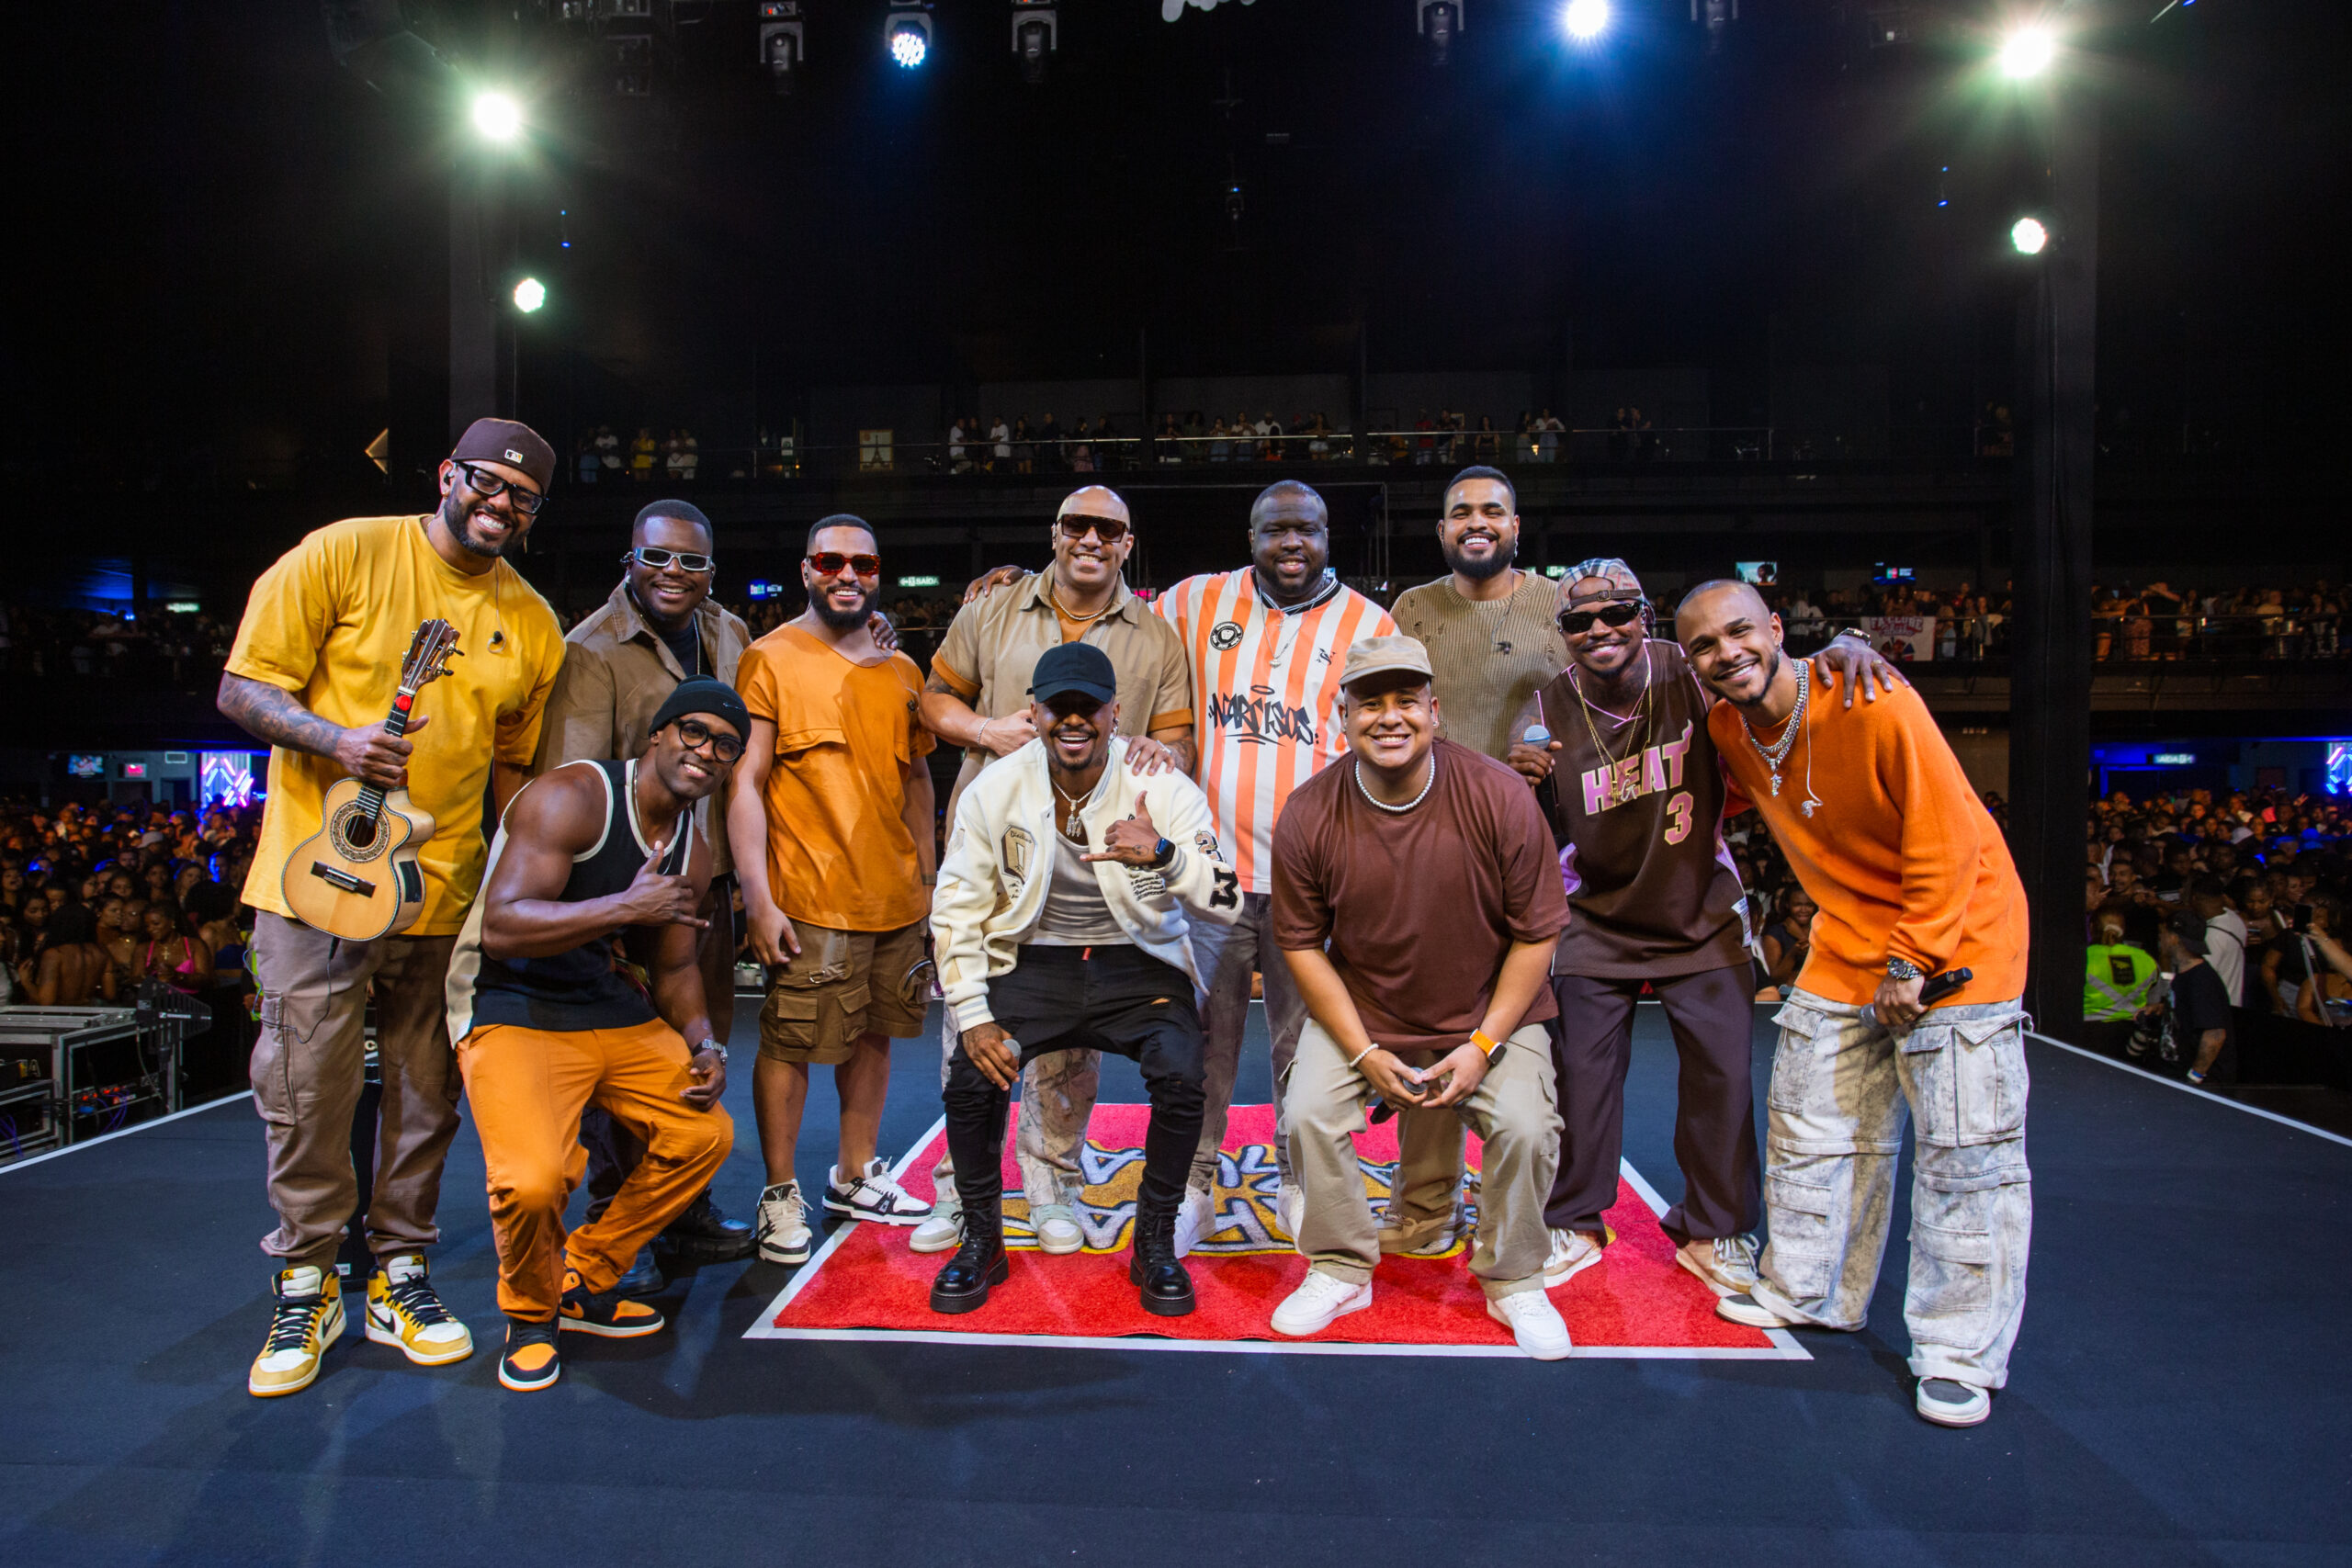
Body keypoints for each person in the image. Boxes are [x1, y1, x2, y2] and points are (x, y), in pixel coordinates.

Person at [218, 417, 566, 1399]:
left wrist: (517, 886)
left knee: (426, 1094)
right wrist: (334, 739)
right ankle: (306, 1278)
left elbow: (513, 769)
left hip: (443, 894)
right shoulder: (344, 552)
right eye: (487, 483)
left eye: (523, 498)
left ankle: (399, 1271)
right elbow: (243, 686)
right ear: (448, 475)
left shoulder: (531, 620)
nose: (500, 505)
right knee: (305, 1086)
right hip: (318, 881)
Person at [1676, 579, 2031, 1429]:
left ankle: (1957, 1353)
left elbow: (1947, 835)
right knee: (1809, 1123)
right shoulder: (1728, 727)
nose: (1727, 653)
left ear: (1775, 627)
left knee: (1964, 1155)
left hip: (1959, 939)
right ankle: (1812, 1290)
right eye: (1704, 646)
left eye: (1739, 632)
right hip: (1846, 941)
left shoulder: (1874, 698)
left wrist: (1914, 958)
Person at [1503, 560, 1905, 1294]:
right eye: (1579, 620)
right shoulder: (1542, 708)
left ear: (1644, 616)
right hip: (1595, 916)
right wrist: (1517, 776)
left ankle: (1714, 1230)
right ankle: (1574, 1221)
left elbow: (1770, 676)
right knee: (1580, 1080)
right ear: (1561, 634)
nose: (1600, 628)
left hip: (1701, 910)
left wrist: (1845, 643)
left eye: (1617, 611)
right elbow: (1524, 825)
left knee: (1722, 1081)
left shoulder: (1691, 671)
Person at [1267, 634, 1570, 1359]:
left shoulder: (1499, 794)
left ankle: (1513, 1276)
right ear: (1344, 716)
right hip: (1370, 1007)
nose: (1390, 717)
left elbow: (1537, 936)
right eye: (1370, 703)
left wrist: (1484, 1043)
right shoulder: (1308, 811)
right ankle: (1341, 1265)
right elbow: (1301, 945)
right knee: (1306, 1112)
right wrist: (1362, 1051)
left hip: (1488, 1007)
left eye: (1407, 700)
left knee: (1527, 1126)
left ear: (1435, 711)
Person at [913, 488, 1193, 1255]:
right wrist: (984, 728)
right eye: (1078, 524)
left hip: (1091, 861)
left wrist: (1163, 754)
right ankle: (957, 1190)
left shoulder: (1155, 635)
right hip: (996, 848)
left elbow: (1178, 740)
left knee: (1072, 1040)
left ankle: (1053, 1185)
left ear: (1127, 542)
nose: (1091, 538)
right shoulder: (995, 607)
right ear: (1055, 531)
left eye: (1108, 528)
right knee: (971, 1028)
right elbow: (933, 700)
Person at [445, 678, 741, 1392]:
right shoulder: (573, 796)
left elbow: (674, 969)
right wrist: (625, 906)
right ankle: (531, 1314)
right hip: (509, 1000)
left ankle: (581, 1275)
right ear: (658, 733)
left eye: (726, 745)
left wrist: (704, 1042)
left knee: (704, 1134)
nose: (706, 751)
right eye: (694, 732)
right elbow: (503, 925)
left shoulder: (693, 849)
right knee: (532, 1181)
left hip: (603, 1003)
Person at [926, 643, 1238, 1315]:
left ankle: (1154, 1240)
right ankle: (981, 1238)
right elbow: (955, 907)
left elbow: (1227, 896)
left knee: (1183, 1074)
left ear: (1114, 712)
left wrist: (1162, 853)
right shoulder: (995, 788)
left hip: (1138, 960)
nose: (1073, 720)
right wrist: (974, 1015)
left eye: (1088, 707)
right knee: (971, 1078)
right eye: (1058, 707)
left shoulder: (1159, 785)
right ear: (1034, 712)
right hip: (1034, 959)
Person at [532, 500, 755, 1289]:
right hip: (625, 885)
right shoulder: (591, 648)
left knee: (700, 1046)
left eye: (691, 561)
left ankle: (681, 1209)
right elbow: (575, 778)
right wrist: (610, 911)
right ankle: (613, 1216)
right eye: (657, 556)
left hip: (706, 874)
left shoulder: (731, 632)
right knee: (621, 1058)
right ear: (629, 559)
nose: (673, 572)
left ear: (711, 572)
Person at [731, 517, 939, 1265]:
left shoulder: (903, 668)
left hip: (895, 896)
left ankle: (855, 1175)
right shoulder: (769, 657)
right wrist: (758, 897)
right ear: (807, 570)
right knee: (789, 1043)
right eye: (831, 561)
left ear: (878, 572)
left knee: (875, 1035)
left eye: (863, 563)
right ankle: (779, 1192)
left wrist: (929, 881)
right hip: (810, 897)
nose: (847, 574)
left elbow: (918, 777)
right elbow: (746, 782)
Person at [1381, 467, 1567, 1255]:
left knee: (1522, 1024)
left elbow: (1601, 697)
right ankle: (1426, 1210)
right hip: (1426, 843)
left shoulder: (1561, 605)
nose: (1477, 522)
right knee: (1428, 1026)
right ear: (1442, 530)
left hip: (1528, 840)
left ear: (1516, 526)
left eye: (1493, 510)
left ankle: (1514, 1221)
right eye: (1461, 513)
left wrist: (1552, 753)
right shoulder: (1412, 609)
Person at [2154, 908, 2234, 1085]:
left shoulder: (2201, 981)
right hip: (2175, 1074)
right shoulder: (2184, 974)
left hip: (2197, 1083)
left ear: (2174, 938)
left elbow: (2215, 1034)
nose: (2160, 938)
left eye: (2162, 933)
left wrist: (2194, 1078)